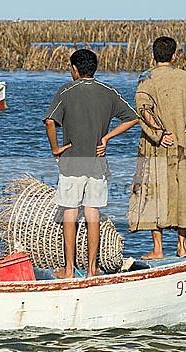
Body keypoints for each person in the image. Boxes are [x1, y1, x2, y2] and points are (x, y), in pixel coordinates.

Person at [44, 49, 139, 278]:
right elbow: (133, 118)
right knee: (92, 214)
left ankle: (68, 270)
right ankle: (91, 269)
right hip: (97, 163)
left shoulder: (66, 91)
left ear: (75, 70)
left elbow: (49, 121)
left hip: (72, 163)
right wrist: (106, 138)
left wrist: (55, 149)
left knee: (70, 213)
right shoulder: (108, 92)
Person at [127, 36, 186, 260]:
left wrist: (159, 134)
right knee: (184, 192)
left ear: (153, 55)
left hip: (155, 148)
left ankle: (158, 248)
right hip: (183, 146)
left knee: (153, 194)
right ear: (174, 55)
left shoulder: (146, 80)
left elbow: (143, 110)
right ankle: (182, 246)